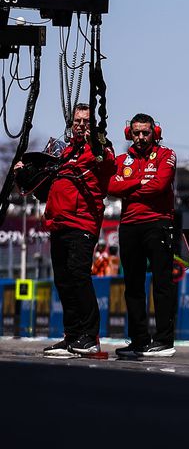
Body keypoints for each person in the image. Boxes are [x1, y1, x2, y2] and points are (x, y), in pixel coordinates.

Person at [19, 104, 116, 357]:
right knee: (63, 281)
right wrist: (25, 175)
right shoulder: (65, 152)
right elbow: (45, 189)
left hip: (82, 223)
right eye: (77, 121)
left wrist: (97, 142)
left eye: (86, 121)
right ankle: (72, 336)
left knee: (78, 277)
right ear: (72, 123)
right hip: (59, 224)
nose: (81, 125)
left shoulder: (99, 149)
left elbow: (109, 165)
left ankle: (90, 337)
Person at [107, 113, 179, 359]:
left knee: (162, 284)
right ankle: (139, 340)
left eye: (145, 132)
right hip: (129, 226)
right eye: (136, 132)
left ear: (154, 133)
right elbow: (110, 186)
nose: (140, 137)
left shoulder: (167, 155)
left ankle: (164, 341)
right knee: (133, 286)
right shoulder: (120, 160)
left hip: (158, 224)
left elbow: (160, 185)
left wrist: (128, 186)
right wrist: (140, 182)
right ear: (130, 134)